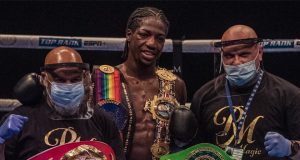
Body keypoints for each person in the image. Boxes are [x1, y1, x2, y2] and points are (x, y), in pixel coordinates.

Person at [190, 24, 300, 160]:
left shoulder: (289, 95)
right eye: (229, 55)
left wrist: (291, 148)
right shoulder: (203, 96)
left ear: (259, 53)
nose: (236, 62)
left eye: (244, 54)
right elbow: (193, 150)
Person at [93, 7, 190, 160]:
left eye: (160, 38)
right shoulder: (101, 79)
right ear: (129, 35)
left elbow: (181, 141)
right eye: (144, 35)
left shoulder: (175, 85)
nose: (152, 43)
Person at [2, 46, 124, 160]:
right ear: (44, 78)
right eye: (60, 80)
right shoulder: (21, 120)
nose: (68, 85)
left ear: (84, 78)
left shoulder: (102, 120)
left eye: (75, 79)